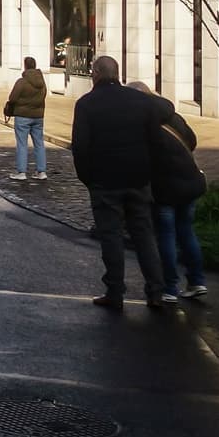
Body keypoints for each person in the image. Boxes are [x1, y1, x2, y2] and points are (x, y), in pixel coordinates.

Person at [69, 56, 170, 308]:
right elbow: (157, 142)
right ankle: (156, 291)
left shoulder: (87, 104)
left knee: (111, 236)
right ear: (117, 73)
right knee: (144, 235)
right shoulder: (142, 101)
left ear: (95, 73)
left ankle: (115, 291)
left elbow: (80, 147)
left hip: (105, 180)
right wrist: (150, 173)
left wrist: (88, 177)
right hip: (138, 178)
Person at [132, 81, 207, 303]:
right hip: (189, 181)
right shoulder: (172, 114)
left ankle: (170, 287)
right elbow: (191, 141)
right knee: (186, 232)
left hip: (164, 186)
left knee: (166, 235)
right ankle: (197, 281)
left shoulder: (143, 122)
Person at [1, 56, 49, 181]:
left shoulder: (22, 82)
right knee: (39, 143)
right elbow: (44, 96)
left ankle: (21, 172)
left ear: (25, 66)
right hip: (38, 116)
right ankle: (41, 171)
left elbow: (13, 98)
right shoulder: (41, 82)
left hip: (22, 116)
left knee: (22, 144)